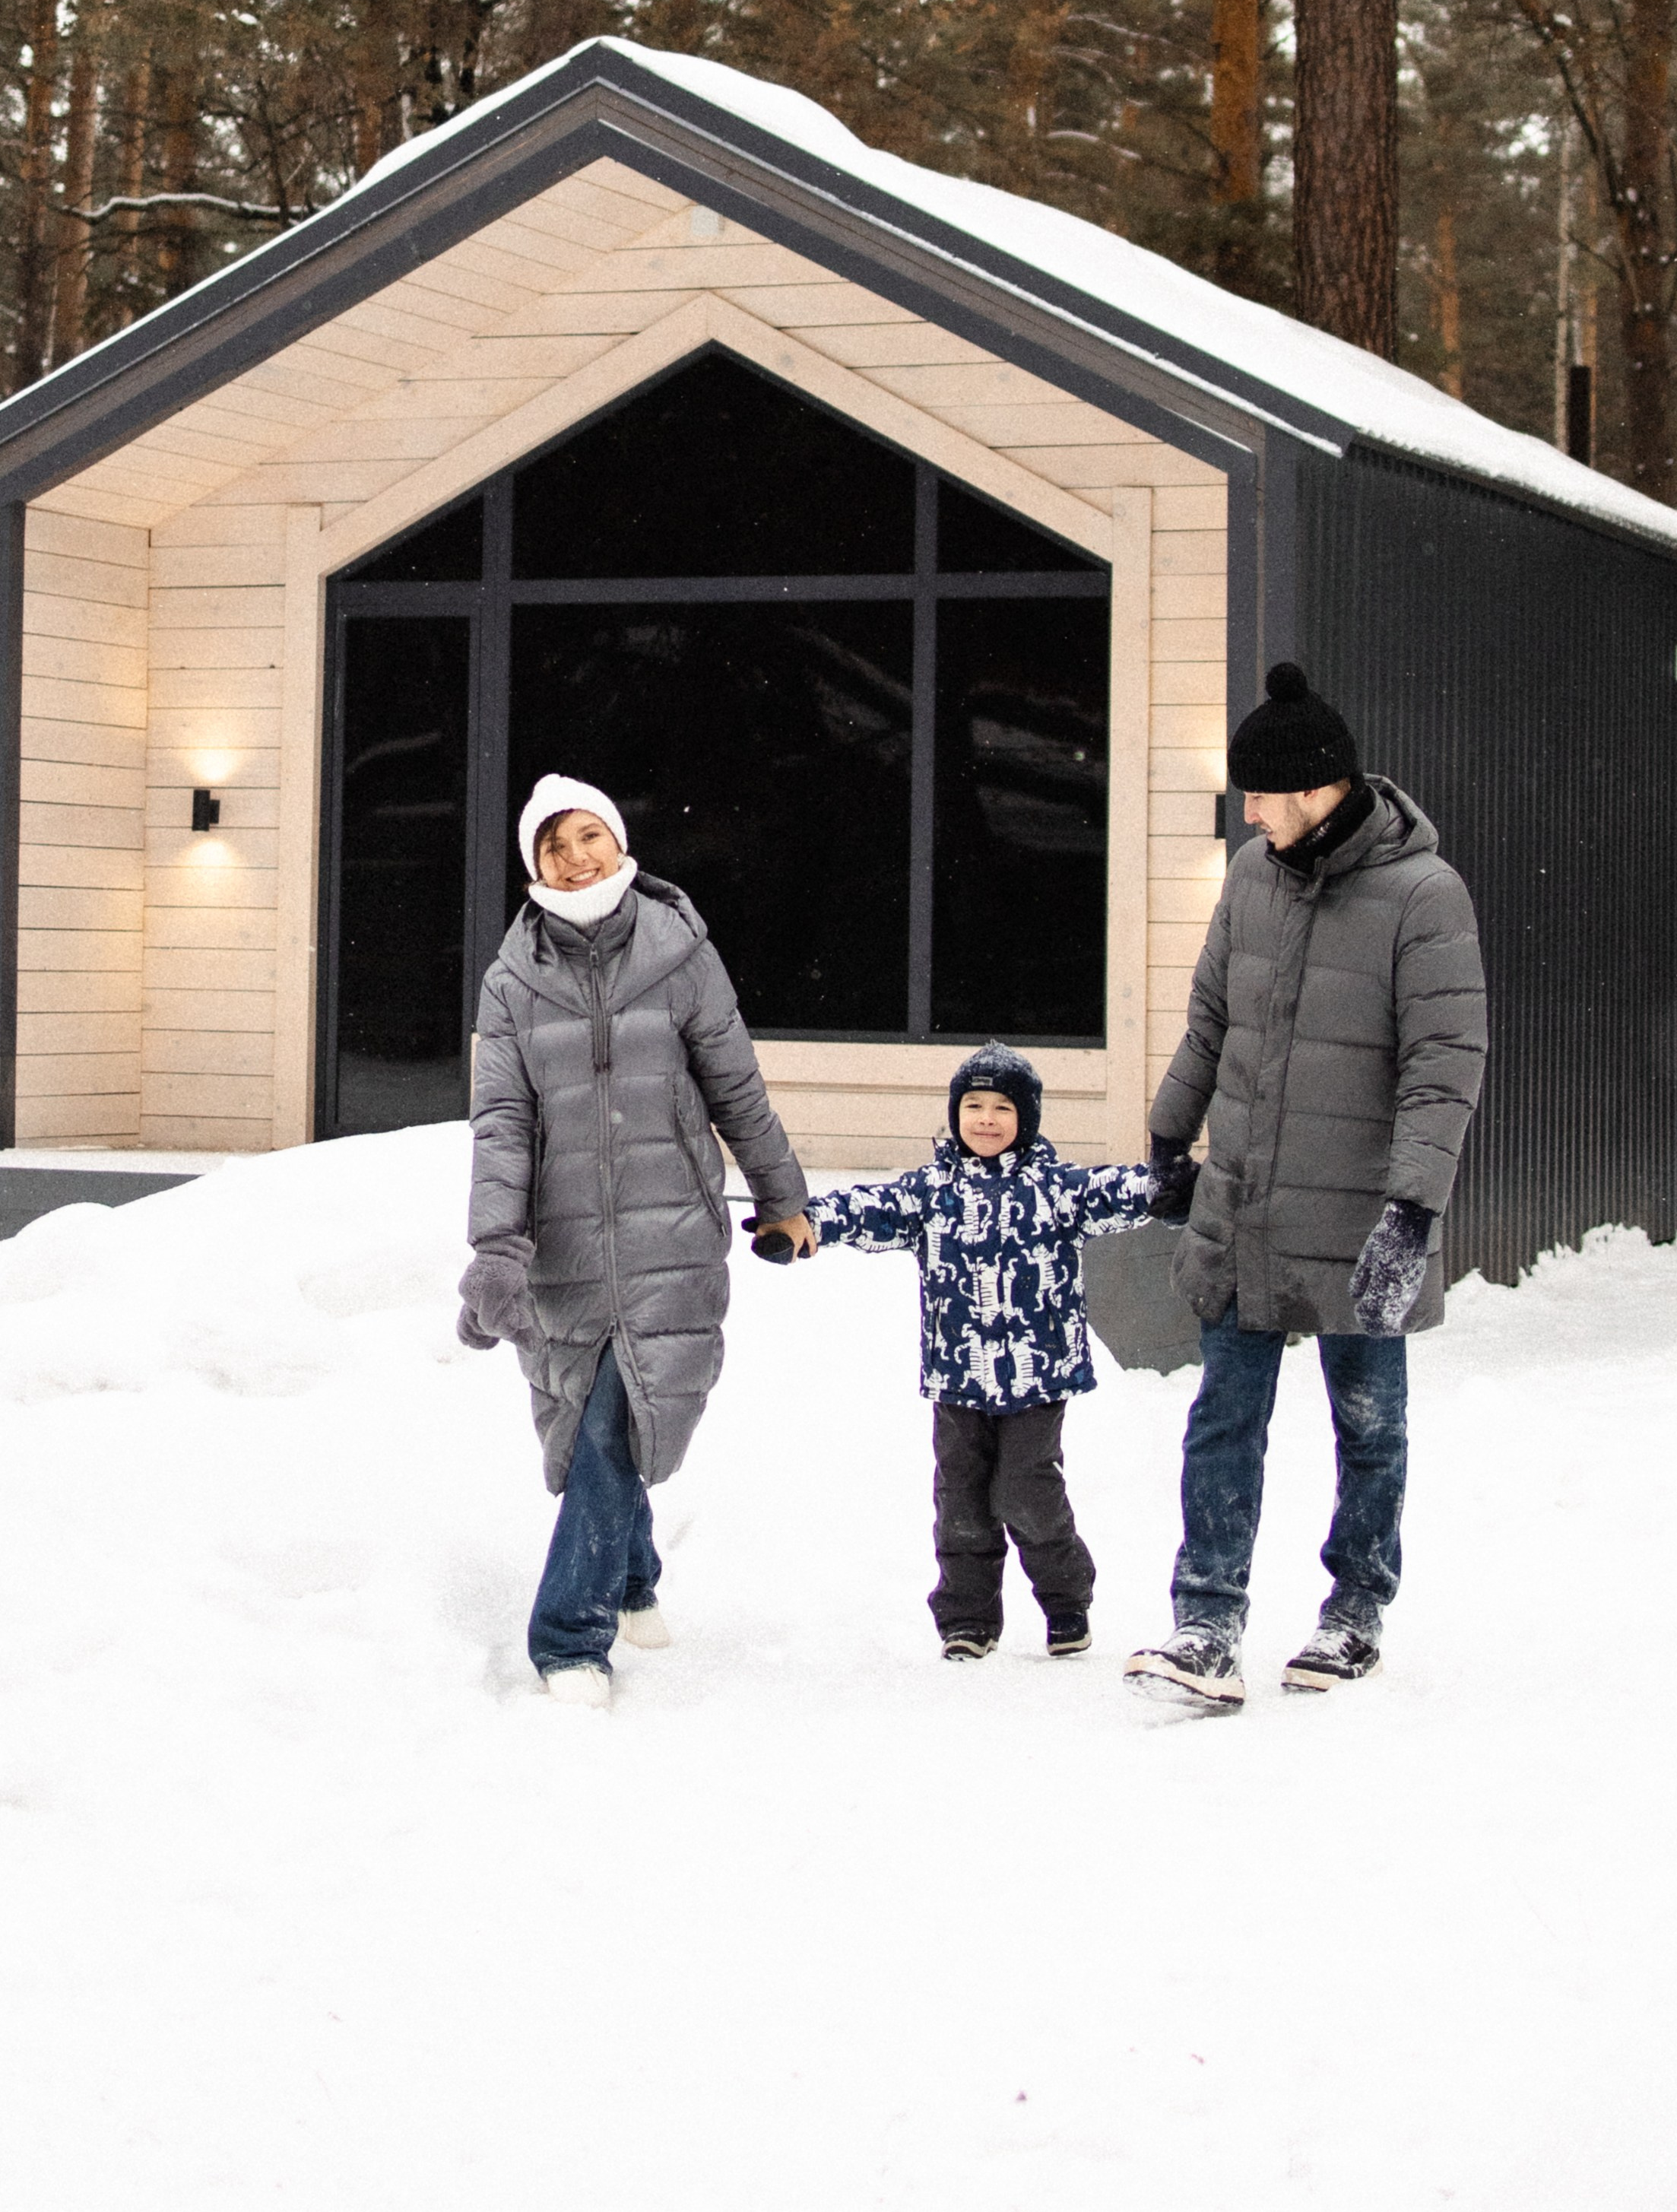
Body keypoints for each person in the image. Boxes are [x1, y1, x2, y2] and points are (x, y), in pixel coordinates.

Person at [1126, 664, 1488, 1710]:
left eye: (1262, 794)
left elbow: (1442, 1066)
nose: (1248, 812)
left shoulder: (1424, 895)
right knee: (1222, 1416)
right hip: (1245, 1198)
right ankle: (1205, 1620)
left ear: (1319, 789)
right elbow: (1211, 1015)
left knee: (1367, 1422)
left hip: (1361, 1212)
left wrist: (1410, 1213)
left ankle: (1354, 1609)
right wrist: (1169, 1133)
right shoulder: (1253, 875)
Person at [458, 773, 813, 1707]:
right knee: (592, 1418)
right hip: (564, 1245)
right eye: (553, 847)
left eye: (588, 836)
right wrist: (496, 1247)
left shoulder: (679, 953)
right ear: (535, 867)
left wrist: (781, 1196)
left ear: (617, 841)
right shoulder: (511, 981)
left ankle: (567, 1635)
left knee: (619, 1417)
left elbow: (735, 1086)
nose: (575, 858)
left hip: (671, 1232)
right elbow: (502, 1123)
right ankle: (632, 1578)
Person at [810, 1043, 1153, 1661]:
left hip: (1036, 1375)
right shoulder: (932, 1190)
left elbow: (1118, 1191)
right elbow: (868, 1207)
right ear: (955, 1113)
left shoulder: (1054, 1187)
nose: (987, 1119)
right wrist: (805, 1223)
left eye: (1003, 1107)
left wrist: (1170, 1185)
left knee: (1026, 1489)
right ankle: (967, 1618)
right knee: (961, 1500)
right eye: (973, 1105)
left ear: (1028, 1117)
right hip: (957, 1375)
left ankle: (1066, 1600)